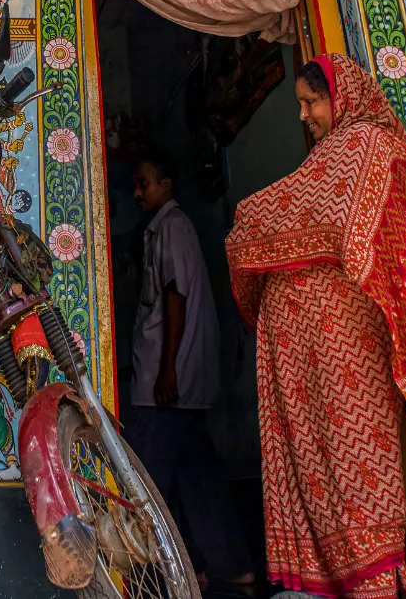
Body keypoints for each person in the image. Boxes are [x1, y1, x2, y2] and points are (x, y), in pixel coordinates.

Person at [226, 54, 406, 598]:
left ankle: (375, 579)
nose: (305, 115)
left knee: (358, 458)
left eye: (312, 102)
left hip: (348, 339)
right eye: (302, 104)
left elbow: (322, 222)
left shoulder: (368, 147)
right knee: (324, 460)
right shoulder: (342, 154)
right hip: (320, 338)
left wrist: (246, 227)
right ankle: (347, 577)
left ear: (344, 96)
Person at [125, 154, 253, 587]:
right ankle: (226, 565)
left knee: (146, 476)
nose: (138, 193)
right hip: (175, 385)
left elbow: (175, 297)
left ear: (166, 183)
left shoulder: (172, 227)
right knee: (198, 477)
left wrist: (167, 372)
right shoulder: (161, 229)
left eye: (144, 182)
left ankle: (145, 575)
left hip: (164, 386)